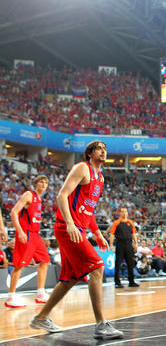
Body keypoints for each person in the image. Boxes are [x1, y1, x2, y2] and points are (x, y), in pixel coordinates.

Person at [29, 141, 123, 339]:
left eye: (105, 149)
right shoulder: (82, 168)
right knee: (97, 267)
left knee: (69, 279)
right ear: (90, 153)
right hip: (67, 228)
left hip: (78, 228)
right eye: (99, 148)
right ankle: (101, 324)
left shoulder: (100, 178)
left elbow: (88, 209)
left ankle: (41, 317)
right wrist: (70, 224)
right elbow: (61, 195)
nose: (103, 151)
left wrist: (97, 233)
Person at [5, 175, 51, 308]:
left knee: (45, 260)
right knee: (19, 265)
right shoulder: (29, 195)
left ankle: (40, 293)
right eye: (41, 182)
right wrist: (20, 231)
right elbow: (13, 212)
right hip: (26, 233)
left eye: (46, 182)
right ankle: (11, 297)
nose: (43, 184)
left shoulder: (40, 199)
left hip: (35, 234)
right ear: (35, 183)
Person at [109, 207, 139, 288]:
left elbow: (133, 233)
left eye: (125, 211)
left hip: (129, 244)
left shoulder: (130, 222)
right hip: (120, 244)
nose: (124, 213)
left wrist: (136, 243)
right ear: (120, 213)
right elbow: (112, 234)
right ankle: (117, 282)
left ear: (127, 213)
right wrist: (111, 244)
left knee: (130, 263)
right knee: (118, 263)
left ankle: (131, 281)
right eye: (122, 211)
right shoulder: (116, 222)